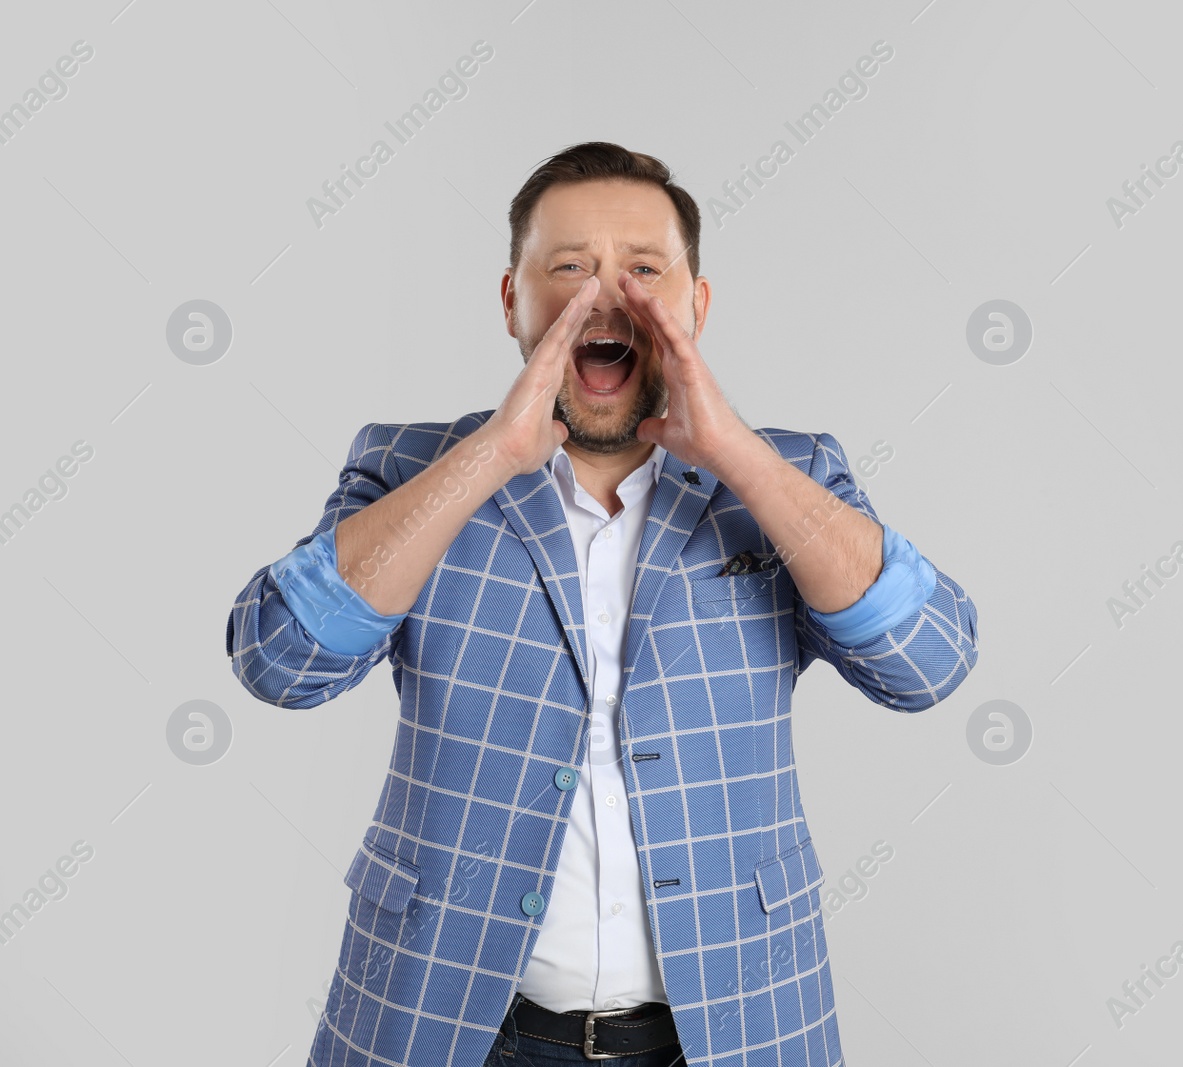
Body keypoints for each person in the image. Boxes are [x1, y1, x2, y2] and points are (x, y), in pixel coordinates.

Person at [226, 142, 980, 1067]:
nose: (607, 297)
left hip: (732, 1030)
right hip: (443, 1024)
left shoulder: (793, 476)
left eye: (645, 271)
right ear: (513, 299)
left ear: (695, 306)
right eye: (570, 268)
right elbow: (278, 663)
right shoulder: (405, 464)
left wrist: (739, 455)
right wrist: (493, 455)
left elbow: (929, 663)